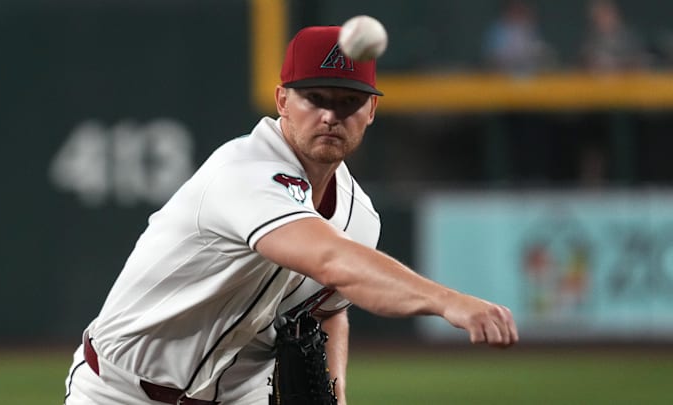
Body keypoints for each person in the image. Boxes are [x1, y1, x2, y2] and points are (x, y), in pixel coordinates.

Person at [63, 25, 518, 405]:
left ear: (372, 110)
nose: (329, 116)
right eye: (314, 97)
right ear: (282, 101)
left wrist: (335, 392)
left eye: (348, 101)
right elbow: (332, 261)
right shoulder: (243, 173)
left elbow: (329, 309)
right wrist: (448, 301)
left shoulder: (359, 217)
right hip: (120, 392)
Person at [482, 0, 556, 76]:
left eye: (521, 10)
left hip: (529, 72)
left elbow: (537, 50)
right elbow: (493, 56)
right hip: (503, 74)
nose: (518, 13)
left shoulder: (530, 28)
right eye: (515, 10)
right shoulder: (498, 29)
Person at [579, 0, 649, 72]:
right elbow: (586, 64)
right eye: (598, 16)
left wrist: (619, 64)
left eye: (606, 14)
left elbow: (642, 61)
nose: (603, 20)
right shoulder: (590, 41)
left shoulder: (631, 39)